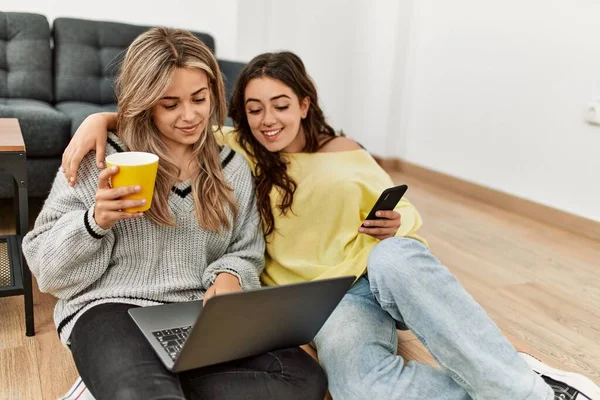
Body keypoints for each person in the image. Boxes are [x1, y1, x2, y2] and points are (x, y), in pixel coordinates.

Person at [61, 51, 600, 400]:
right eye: (253, 109)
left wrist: (392, 224)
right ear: (240, 116)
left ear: (304, 103)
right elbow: (170, 119)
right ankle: (522, 382)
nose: (267, 120)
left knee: (396, 255)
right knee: (360, 389)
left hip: (374, 273)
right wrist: (97, 119)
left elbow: (406, 222)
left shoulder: (348, 151)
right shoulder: (234, 150)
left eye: (280, 105)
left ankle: (522, 391)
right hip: (321, 302)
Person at [23, 30, 327, 400]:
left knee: (304, 380)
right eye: (169, 105)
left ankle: (122, 386)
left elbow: (246, 250)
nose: (190, 116)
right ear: (145, 101)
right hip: (112, 309)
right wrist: (94, 221)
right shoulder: (103, 156)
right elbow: (47, 271)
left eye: (199, 99)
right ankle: (133, 383)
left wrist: (231, 274)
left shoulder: (231, 164)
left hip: (199, 313)